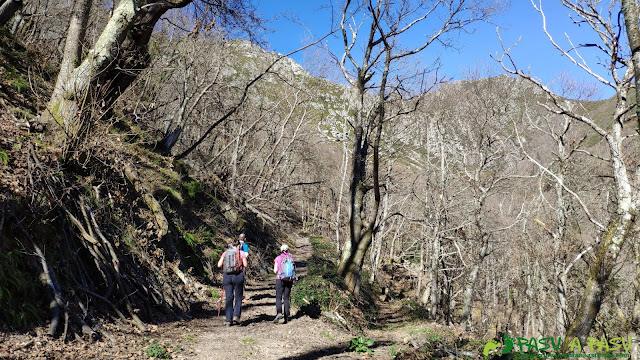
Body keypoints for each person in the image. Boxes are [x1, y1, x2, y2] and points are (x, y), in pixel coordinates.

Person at [217, 239, 247, 326]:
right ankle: (236, 315)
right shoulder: (241, 253)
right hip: (238, 276)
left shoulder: (225, 253)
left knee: (229, 297)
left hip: (227, 277)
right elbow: (245, 265)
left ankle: (228, 320)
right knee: (238, 296)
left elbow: (219, 265)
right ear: (239, 246)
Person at [273, 244, 294, 324]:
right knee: (286, 298)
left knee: (278, 297)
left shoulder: (278, 258)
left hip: (280, 279)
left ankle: (279, 313)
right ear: (288, 250)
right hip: (289, 279)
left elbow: (275, 271)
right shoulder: (291, 258)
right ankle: (286, 317)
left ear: (281, 250)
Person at [238, 233, 249, 303]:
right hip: (241, 265)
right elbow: (246, 255)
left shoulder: (233, 244)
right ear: (244, 239)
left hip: (233, 266)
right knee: (242, 280)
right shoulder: (245, 246)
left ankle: (235, 295)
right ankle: (242, 296)